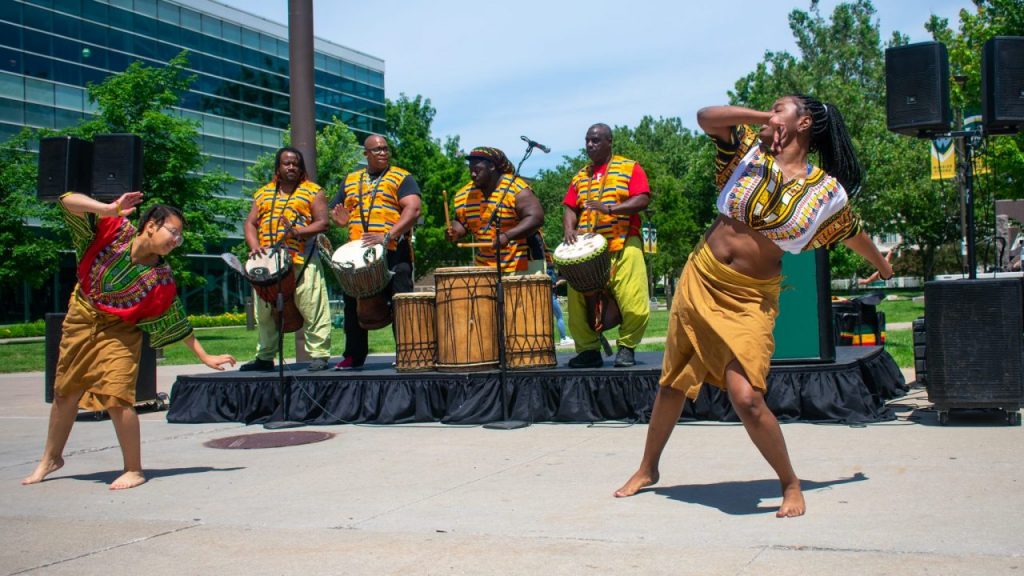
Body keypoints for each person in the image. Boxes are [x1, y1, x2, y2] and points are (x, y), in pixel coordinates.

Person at [613, 96, 894, 517]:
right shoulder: (747, 150)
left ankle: (791, 483)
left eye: (778, 107)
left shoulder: (824, 191)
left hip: (749, 297)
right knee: (672, 384)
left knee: (746, 397)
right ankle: (648, 467)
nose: (769, 112)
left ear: (803, 122)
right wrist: (762, 118)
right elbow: (705, 116)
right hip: (700, 277)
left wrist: (883, 266)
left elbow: (853, 233)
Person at [22, 192, 236, 490]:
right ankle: (51, 458)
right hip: (82, 315)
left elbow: (174, 318)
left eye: (180, 237)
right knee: (65, 391)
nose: (176, 240)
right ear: (151, 225)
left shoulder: (159, 278)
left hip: (121, 329)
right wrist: (107, 209)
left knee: (117, 395)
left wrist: (204, 356)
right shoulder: (110, 232)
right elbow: (67, 200)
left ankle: (133, 469)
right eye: (173, 232)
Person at [562, 123, 651, 368]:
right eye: (587, 140)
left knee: (634, 300)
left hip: (622, 242)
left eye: (596, 140)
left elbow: (642, 197)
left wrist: (610, 209)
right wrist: (569, 229)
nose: (590, 145)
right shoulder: (580, 176)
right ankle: (589, 351)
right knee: (576, 299)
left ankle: (627, 347)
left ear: (609, 141)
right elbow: (570, 206)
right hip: (586, 251)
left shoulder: (628, 167)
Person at [330, 134, 422, 370]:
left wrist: (387, 235)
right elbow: (338, 212)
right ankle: (354, 355)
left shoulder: (402, 177)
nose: (383, 152)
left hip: (394, 251)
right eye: (377, 149)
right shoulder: (351, 180)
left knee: (402, 303)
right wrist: (340, 220)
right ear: (366, 154)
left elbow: (413, 210)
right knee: (353, 304)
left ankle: (408, 352)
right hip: (359, 255)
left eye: (385, 148)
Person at [239, 147, 333, 372]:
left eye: (296, 164)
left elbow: (323, 223)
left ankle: (319, 354)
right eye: (286, 163)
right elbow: (250, 223)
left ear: (301, 168)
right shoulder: (263, 193)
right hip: (267, 263)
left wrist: (297, 233)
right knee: (264, 312)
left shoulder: (313, 191)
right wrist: (254, 247)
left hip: (302, 259)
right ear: (278, 167)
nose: (291, 167)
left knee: (313, 307)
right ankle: (265, 357)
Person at [446, 147, 545, 275]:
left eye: (478, 170)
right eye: (471, 170)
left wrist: (507, 236)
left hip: (524, 264)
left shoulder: (516, 188)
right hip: (485, 266)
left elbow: (536, 218)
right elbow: (461, 222)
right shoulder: (464, 195)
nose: (473, 174)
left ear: (492, 167)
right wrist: (454, 231)